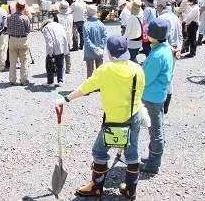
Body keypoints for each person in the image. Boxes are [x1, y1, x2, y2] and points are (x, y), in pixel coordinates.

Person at [54, 35, 145, 199]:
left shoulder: (105, 70)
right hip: (133, 116)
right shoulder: (137, 68)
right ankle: (131, 189)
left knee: (99, 151)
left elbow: (86, 87)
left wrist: (66, 99)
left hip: (113, 119)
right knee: (132, 151)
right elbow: (140, 91)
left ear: (109, 52)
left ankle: (96, 186)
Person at [140, 18, 173, 174]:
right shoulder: (162, 48)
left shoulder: (158, 54)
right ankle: (152, 156)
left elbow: (146, 79)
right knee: (156, 128)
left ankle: (153, 164)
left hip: (152, 97)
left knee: (155, 130)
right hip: (156, 95)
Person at [157, 0, 182, 114]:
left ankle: (161, 105)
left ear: (161, 6)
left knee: (161, 77)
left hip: (166, 50)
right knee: (170, 76)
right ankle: (166, 106)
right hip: (175, 50)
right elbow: (180, 36)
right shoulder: (176, 18)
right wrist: (178, 49)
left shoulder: (162, 18)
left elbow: (162, 38)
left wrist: (173, 49)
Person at [6, 0, 31, 85]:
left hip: (12, 39)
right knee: (24, 60)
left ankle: (12, 80)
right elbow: (28, 30)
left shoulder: (9, 17)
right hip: (23, 39)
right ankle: (23, 80)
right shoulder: (25, 18)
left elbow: (8, 29)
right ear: (23, 8)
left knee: (12, 61)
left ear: (16, 7)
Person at [41, 19, 69, 87]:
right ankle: (60, 81)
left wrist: (50, 50)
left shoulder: (46, 28)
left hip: (53, 48)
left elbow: (49, 39)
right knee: (60, 64)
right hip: (62, 47)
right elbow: (64, 36)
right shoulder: (59, 25)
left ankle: (50, 82)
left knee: (50, 64)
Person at [83, 5, 107, 78]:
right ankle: (99, 86)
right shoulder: (101, 24)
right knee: (100, 71)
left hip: (90, 51)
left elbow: (86, 39)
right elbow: (105, 37)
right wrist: (100, 47)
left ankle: (90, 87)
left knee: (90, 71)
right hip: (100, 51)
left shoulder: (86, 24)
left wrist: (94, 48)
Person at [54, 0, 73, 74]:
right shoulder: (71, 16)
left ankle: (59, 68)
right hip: (68, 36)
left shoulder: (57, 16)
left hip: (59, 36)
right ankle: (68, 68)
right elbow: (73, 26)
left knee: (59, 53)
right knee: (67, 54)